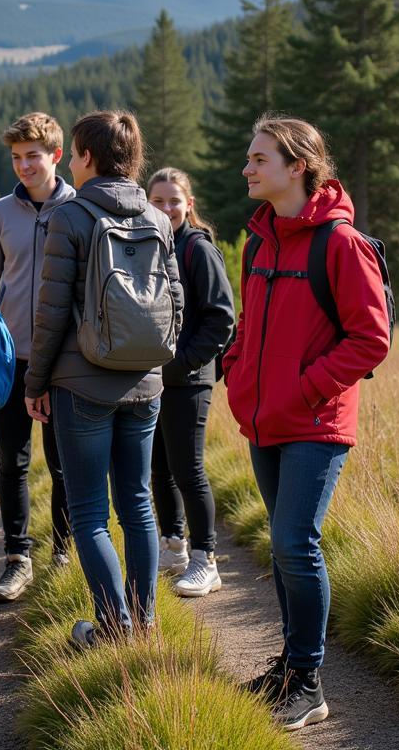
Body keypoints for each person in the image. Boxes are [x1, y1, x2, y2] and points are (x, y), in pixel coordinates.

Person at [224, 116, 389, 731]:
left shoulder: (340, 244)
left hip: (315, 422)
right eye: (249, 158)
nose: (248, 168)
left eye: (259, 159)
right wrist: (239, 373)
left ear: (297, 166)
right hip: (264, 420)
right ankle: (290, 668)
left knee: (296, 542)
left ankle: (309, 683)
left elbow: (371, 338)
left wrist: (306, 387)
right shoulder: (260, 241)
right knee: (282, 545)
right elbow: (247, 324)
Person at [25, 110, 184, 647]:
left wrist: (36, 383)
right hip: (145, 384)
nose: (70, 161)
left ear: (89, 156)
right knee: (137, 504)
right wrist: (156, 362)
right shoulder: (159, 219)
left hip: (81, 384)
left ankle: (113, 629)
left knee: (91, 511)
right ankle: (146, 623)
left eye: (73, 152)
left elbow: (48, 315)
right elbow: (176, 303)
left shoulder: (70, 218)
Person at [0, 112, 75, 602]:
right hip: (10, 358)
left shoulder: (80, 208)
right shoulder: (1, 212)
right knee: (13, 462)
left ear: (56, 156)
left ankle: (64, 552)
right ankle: (18, 559)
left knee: (63, 463)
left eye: (33, 156)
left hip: (64, 361)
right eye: (16, 158)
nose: (24, 166)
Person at [147, 167, 235, 597]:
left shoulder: (198, 250)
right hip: (152, 381)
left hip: (189, 379)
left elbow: (222, 319)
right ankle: (173, 545)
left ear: (189, 204)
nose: (166, 208)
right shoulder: (147, 244)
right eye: (157, 201)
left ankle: (206, 558)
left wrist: (183, 364)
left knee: (188, 469)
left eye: (173, 201)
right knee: (159, 469)